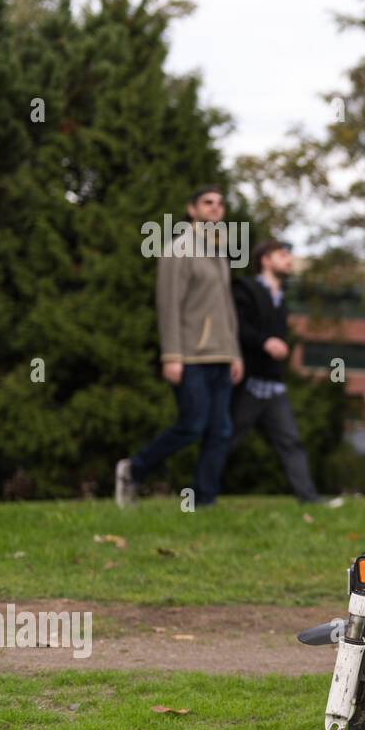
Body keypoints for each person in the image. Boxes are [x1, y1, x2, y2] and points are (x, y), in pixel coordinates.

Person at [116, 185, 242, 508]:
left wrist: (235, 354)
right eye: (208, 202)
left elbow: (226, 308)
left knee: (220, 431)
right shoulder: (178, 249)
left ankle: (204, 500)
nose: (215, 208)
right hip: (189, 357)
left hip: (221, 356)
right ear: (192, 209)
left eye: (220, 203)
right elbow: (168, 304)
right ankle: (133, 470)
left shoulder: (220, 250)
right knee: (192, 425)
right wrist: (171, 355)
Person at [228, 239, 338, 506]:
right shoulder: (246, 289)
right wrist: (264, 342)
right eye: (282, 254)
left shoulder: (282, 300)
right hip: (248, 384)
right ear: (265, 260)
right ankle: (198, 494)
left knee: (291, 442)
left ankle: (309, 499)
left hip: (274, 388)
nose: (289, 259)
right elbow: (236, 326)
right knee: (226, 439)